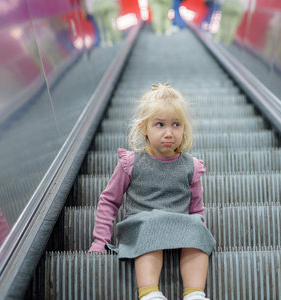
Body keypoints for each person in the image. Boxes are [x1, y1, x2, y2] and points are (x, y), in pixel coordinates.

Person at [89, 83, 216, 300]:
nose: (169, 132)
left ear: (184, 128)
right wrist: (100, 240)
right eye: (160, 124)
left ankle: (194, 292)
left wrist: (199, 232)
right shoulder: (131, 163)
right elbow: (109, 201)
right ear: (143, 128)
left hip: (179, 223)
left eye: (176, 124)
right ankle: (149, 292)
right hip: (142, 224)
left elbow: (196, 208)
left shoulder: (191, 166)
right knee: (151, 227)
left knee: (197, 230)